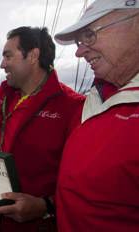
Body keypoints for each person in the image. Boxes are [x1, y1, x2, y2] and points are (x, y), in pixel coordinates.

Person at [0, 27, 84, 231]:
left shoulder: (73, 107)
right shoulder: (5, 96)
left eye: (8, 56)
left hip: (41, 224)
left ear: (33, 55)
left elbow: (83, 182)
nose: (2, 64)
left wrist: (45, 206)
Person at [54, 1, 139, 231]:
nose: (79, 51)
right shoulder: (91, 101)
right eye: (80, 41)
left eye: (89, 35)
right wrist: (45, 206)